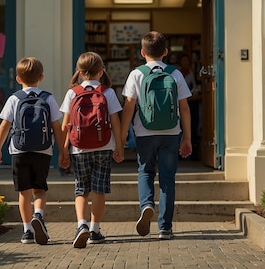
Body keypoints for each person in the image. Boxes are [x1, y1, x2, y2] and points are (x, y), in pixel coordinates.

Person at [120, 31, 192, 240]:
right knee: (168, 179)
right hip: (171, 133)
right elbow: (185, 108)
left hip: (144, 132)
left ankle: (147, 205)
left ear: (142, 52)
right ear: (166, 52)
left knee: (145, 171)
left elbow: (128, 108)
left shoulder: (137, 74)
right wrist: (186, 137)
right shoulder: (175, 73)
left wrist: (123, 137)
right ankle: (165, 228)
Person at [0, 57, 68, 245]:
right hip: (43, 151)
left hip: (19, 150)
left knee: (24, 192)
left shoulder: (14, 99)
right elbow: (57, 128)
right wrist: (63, 152)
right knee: (40, 190)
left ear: (18, 79)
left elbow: (4, 126)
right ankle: (39, 216)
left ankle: (27, 231)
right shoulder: (48, 98)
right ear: (41, 77)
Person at [60, 52, 124, 248]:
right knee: (99, 190)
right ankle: (95, 230)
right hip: (104, 147)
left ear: (79, 73)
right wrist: (119, 146)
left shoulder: (73, 92)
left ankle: (81, 225)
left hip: (79, 148)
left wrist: (64, 151)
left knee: (81, 189)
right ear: (102, 71)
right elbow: (115, 122)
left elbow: (65, 126)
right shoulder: (108, 92)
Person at [179, 53, 201, 159]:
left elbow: (195, 86)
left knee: (192, 125)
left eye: (187, 60)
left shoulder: (191, 73)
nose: (185, 62)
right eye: (183, 60)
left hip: (190, 101)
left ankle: (191, 154)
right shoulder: (177, 73)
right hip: (181, 102)